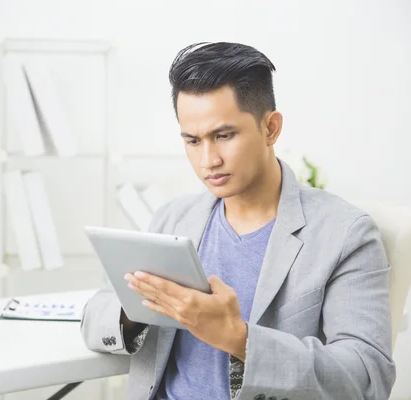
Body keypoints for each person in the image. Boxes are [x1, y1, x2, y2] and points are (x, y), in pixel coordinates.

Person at [80, 42, 395, 400]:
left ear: (271, 128)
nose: (208, 159)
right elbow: (94, 315)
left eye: (224, 136)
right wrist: (137, 310)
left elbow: (367, 376)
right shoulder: (173, 217)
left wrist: (237, 337)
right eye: (192, 140)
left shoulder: (345, 234)